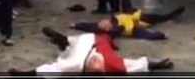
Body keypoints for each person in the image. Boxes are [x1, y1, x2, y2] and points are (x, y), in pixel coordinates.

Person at [9, 27, 174, 75]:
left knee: (69, 48)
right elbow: (133, 64)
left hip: (81, 50)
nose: (94, 64)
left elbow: (48, 69)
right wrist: (157, 64)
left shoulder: (74, 67)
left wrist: (23, 74)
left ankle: (62, 41)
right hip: (95, 41)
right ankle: (63, 41)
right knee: (99, 37)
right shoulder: (111, 64)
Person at [70, 0, 185, 40]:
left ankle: (169, 16)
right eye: (102, 23)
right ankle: (171, 15)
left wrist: (76, 25)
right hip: (138, 19)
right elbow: (145, 35)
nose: (102, 21)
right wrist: (161, 36)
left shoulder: (109, 23)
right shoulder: (121, 29)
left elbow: (90, 26)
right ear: (107, 28)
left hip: (128, 13)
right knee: (159, 18)